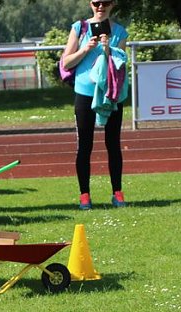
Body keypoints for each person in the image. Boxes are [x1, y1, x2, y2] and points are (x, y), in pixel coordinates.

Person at [61, 0, 128, 210]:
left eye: (105, 2)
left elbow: (121, 64)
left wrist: (109, 49)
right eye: (96, 3)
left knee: (113, 144)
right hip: (85, 92)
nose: (100, 7)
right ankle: (84, 195)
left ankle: (117, 192)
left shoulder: (119, 32)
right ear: (90, 4)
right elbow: (66, 62)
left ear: (113, 4)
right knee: (85, 146)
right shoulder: (79, 28)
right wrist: (86, 49)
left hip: (111, 94)